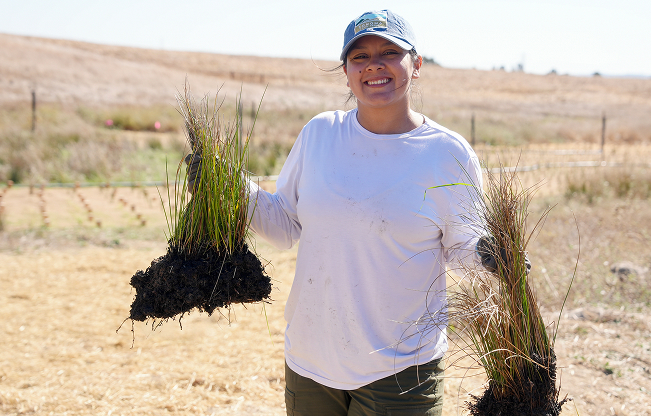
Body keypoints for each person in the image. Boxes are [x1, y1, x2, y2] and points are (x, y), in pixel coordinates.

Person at [189, 9, 486, 416]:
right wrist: (225, 185)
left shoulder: (447, 154)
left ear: (415, 65)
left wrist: (491, 253)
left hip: (400, 371)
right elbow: (284, 226)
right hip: (311, 363)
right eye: (359, 56)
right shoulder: (320, 134)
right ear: (346, 71)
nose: (374, 65)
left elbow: (463, 250)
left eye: (389, 52)